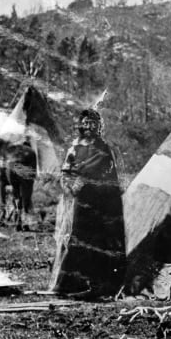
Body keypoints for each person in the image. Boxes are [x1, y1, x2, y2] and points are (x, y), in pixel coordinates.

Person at [50, 109, 125, 297]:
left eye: (93, 123)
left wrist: (91, 183)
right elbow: (66, 173)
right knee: (78, 239)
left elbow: (110, 176)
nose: (89, 126)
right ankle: (72, 284)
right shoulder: (74, 148)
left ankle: (97, 286)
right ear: (81, 125)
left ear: (99, 126)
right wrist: (70, 186)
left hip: (102, 202)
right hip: (81, 201)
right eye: (85, 123)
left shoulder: (105, 149)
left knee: (98, 241)